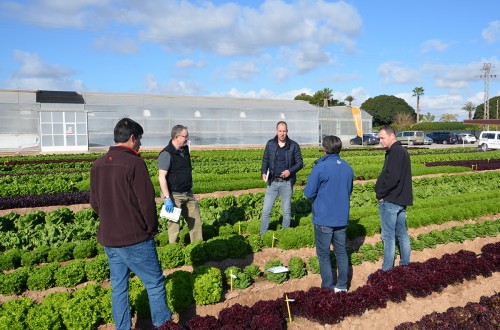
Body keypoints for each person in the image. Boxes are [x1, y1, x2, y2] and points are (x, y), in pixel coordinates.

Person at [90, 118, 171, 330]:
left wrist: (111, 219)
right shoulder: (134, 163)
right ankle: (163, 326)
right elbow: (146, 203)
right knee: (154, 284)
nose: (140, 144)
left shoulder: (98, 164)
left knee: (118, 287)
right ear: (132, 138)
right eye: (140, 139)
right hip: (134, 238)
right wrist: (151, 229)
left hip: (109, 239)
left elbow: (95, 204)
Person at [304, 135, 353, 292]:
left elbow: (309, 192)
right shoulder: (347, 167)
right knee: (341, 252)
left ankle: (327, 287)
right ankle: (342, 286)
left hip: (324, 218)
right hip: (341, 218)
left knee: (324, 254)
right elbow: (348, 190)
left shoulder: (320, 167)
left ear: (324, 149)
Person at [375, 125, 413, 271]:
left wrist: (380, 193)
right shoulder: (401, 151)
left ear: (392, 136)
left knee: (388, 236)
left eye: (382, 138)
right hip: (401, 199)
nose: (380, 141)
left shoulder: (396, 152)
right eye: (379, 138)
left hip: (391, 200)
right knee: (402, 233)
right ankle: (405, 264)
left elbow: (393, 178)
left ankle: (387, 270)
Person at [158, 124, 203, 244]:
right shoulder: (166, 153)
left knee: (196, 221)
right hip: (173, 194)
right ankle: (174, 247)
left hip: (187, 192)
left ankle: (197, 246)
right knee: (174, 224)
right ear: (176, 137)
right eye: (185, 136)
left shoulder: (185, 149)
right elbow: (161, 176)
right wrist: (167, 198)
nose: (187, 138)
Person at [260, 121, 303, 235]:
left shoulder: (293, 145)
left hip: (287, 183)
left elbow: (300, 163)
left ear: (287, 131)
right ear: (276, 131)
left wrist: (290, 171)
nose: (282, 133)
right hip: (272, 182)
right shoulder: (270, 144)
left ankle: (285, 234)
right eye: (280, 131)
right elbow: (265, 160)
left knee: (286, 211)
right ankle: (263, 234)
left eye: (284, 131)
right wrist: (263, 172)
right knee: (266, 210)